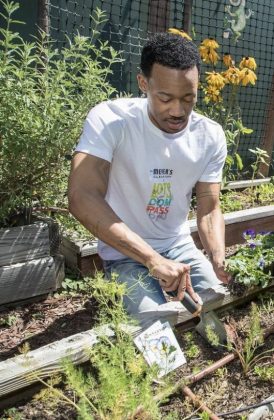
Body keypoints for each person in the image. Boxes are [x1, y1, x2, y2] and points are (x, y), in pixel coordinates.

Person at [68, 32, 229, 320]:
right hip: (124, 254)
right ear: (144, 83)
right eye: (165, 98)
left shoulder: (210, 135)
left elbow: (209, 206)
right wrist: (152, 259)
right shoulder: (111, 120)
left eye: (188, 98)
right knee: (156, 332)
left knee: (219, 307)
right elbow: (82, 196)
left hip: (177, 245)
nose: (178, 111)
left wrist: (218, 256)